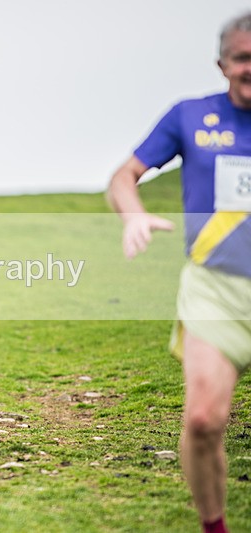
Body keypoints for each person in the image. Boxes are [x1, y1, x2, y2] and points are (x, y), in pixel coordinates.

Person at [106, 12, 251, 533]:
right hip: (216, 289)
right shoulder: (190, 116)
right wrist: (135, 216)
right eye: (243, 58)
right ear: (223, 64)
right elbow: (124, 176)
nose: (250, 69)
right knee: (204, 420)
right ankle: (215, 527)